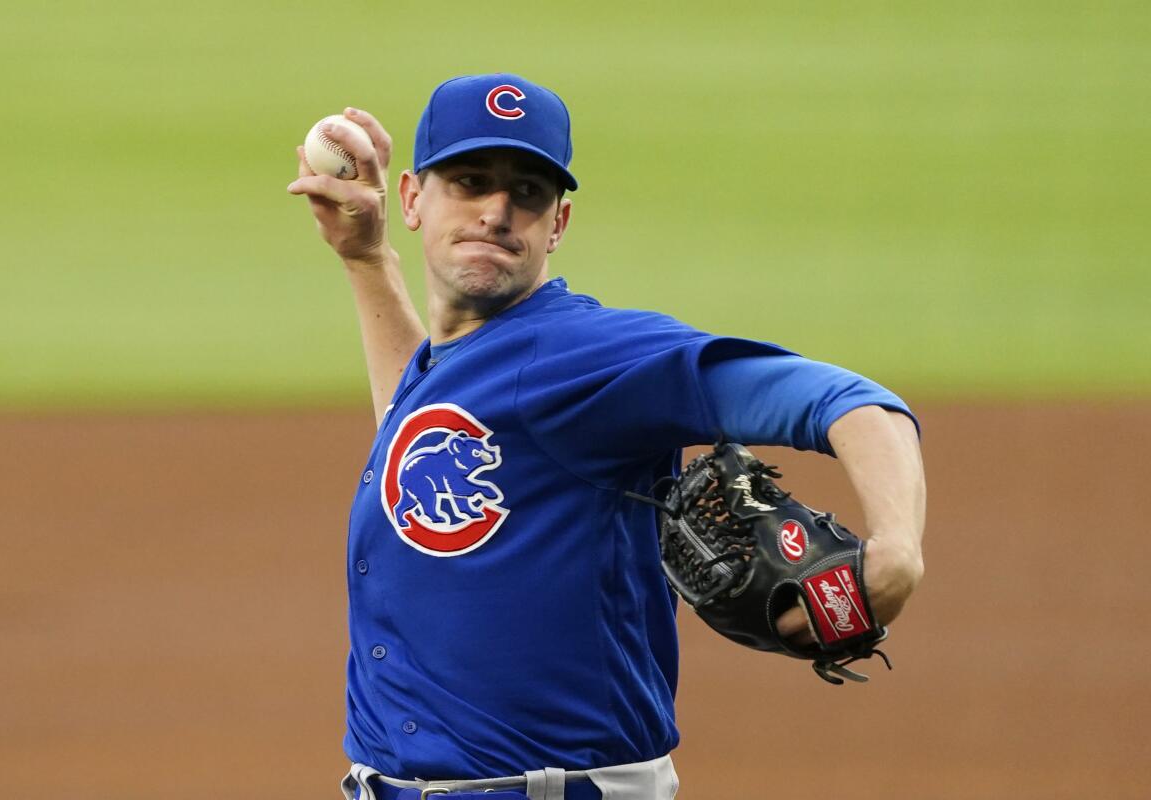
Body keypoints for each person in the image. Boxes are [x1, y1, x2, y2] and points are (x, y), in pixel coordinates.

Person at [288, 74, 926, 800]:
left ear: (556, 225)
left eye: (528, 193)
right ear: (411, 199)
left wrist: (897, 551)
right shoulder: (460, 364)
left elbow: (853, 402)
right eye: (470, 181)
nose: (498, 211)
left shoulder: (593, 356)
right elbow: (427, 425)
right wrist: (366, 260)